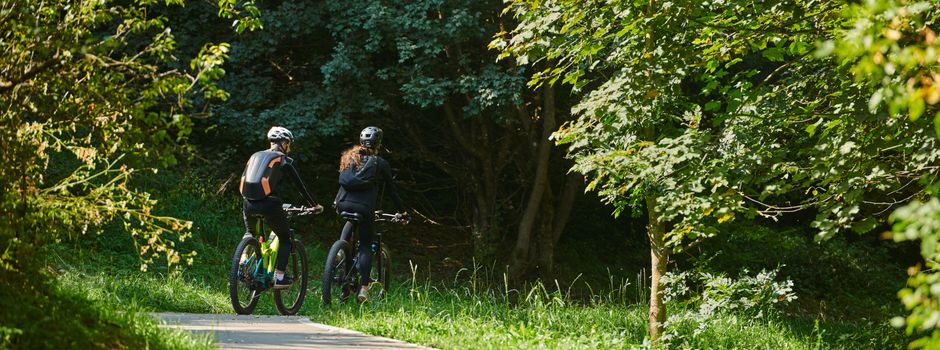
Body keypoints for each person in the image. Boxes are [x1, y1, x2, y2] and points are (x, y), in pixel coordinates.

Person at [240, 126, 323, 289]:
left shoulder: (255, 156)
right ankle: (279, 277)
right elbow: (301, 187)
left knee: (251, 233)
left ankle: (242, 260)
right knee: (285, 239)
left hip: (248, 203)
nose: (289, 147)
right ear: (284, 143)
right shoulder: (283, 160)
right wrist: (315, 205)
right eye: (289, 144)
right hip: (270, 204)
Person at [334, 126, 408, 302]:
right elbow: (391, 191)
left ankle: (341, 250)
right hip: (364, 207)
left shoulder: (349, 158)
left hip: (343, 203)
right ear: (378, 143)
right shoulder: (380, 163)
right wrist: (403, 212)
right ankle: (364, 290)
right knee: (366, 245)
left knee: (350, 224)